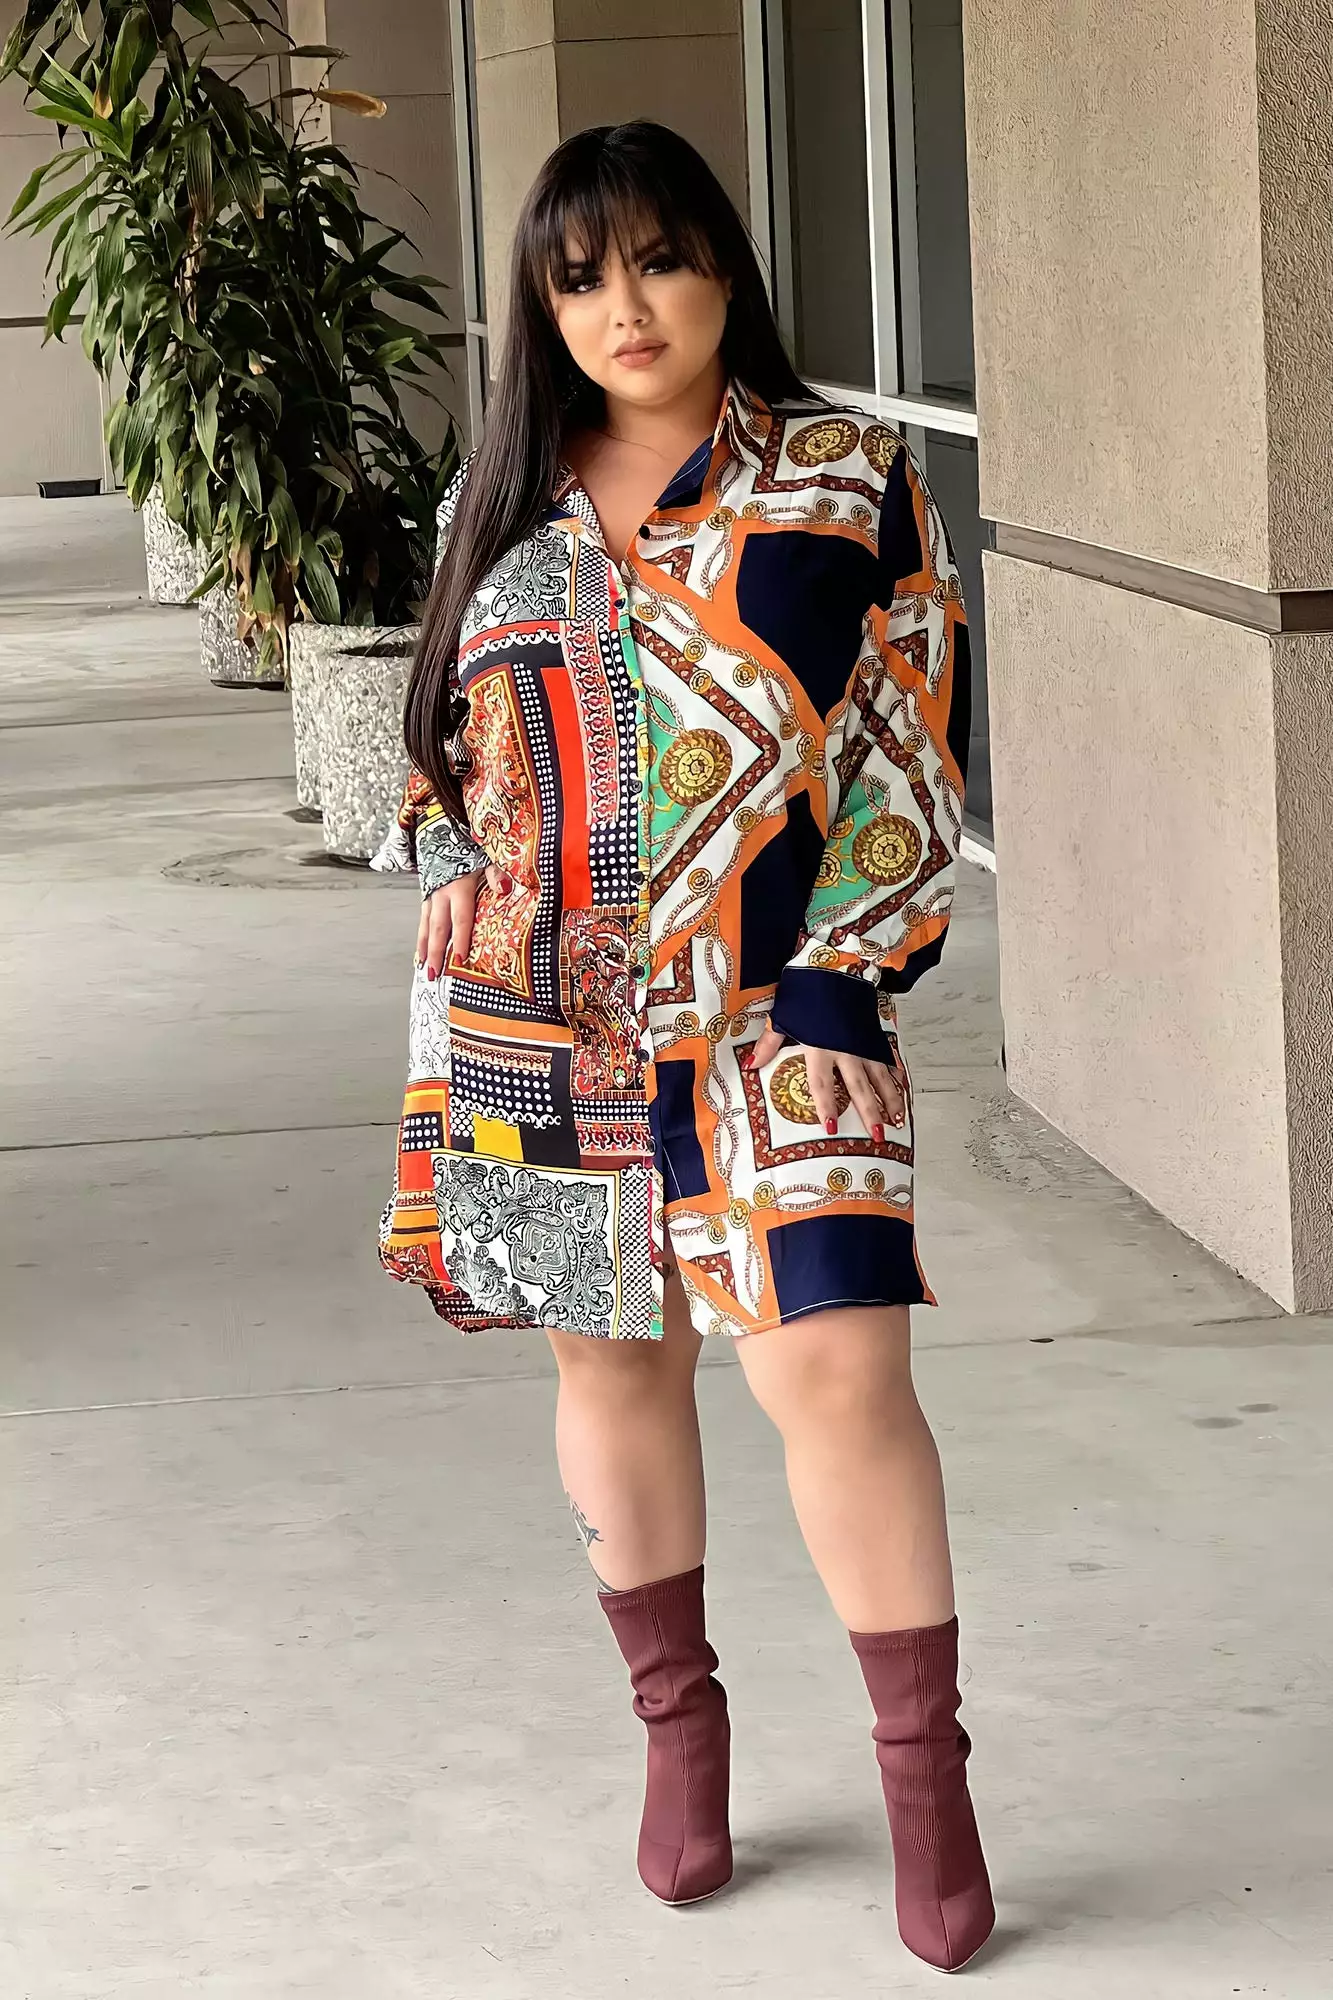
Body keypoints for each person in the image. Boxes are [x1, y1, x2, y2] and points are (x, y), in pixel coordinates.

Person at [377, 120, 993, 1973]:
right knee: (614, 1368)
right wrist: (459, 886)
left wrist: (848, 969)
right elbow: (444, 744)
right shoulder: (502, 494)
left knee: (842, 1374)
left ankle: (926, 1781)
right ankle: (680, 1735)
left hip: (786, 1004)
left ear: (725, 262)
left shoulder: (849, 477)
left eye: (656, 258)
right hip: (536, 1014)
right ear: (541, 308)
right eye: (578, 279)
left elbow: (909, 740)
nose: (623, 307)